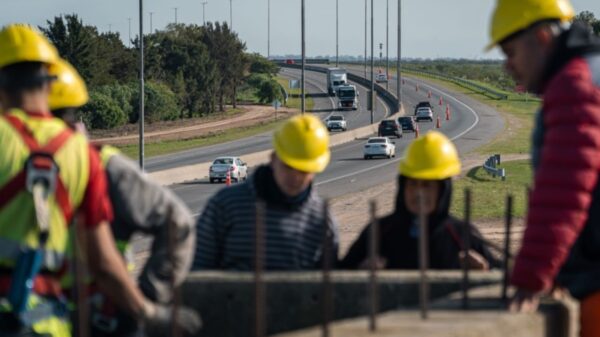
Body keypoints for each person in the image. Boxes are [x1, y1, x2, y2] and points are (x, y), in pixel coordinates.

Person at [0, 25, 187, 337]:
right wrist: (149, 312)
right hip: (45, 323)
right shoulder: (82, 155)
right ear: (48, 84)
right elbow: (102, 261)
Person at [47, 59, 200, 336]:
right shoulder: (100, 163)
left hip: (98, 317)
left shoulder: (104, 166)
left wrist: (145, 297)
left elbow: (175, 223)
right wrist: (145, 304)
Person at [487, 0, 600, 334]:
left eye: (510, 52)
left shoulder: (575, 84)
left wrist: (532, 277)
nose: (507, 66)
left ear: (541, 38)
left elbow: (565, 187)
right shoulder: (591, 69)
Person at [193, 114, 339, 270]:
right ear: (273, 158)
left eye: (304, 171)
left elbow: (327, 288)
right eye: (288, 167)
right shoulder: (226, 206)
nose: (295, 177)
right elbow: (196, 273)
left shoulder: (322, 220)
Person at [340, 131, 500, 270]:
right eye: (413, 184)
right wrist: (360, 271)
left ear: (443, 190)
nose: (419, 193)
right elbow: (338, 278)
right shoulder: (379, 233)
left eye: (427, 185)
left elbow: (504, 280)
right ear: (403, 186)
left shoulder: (462, 236)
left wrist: (484, 271)